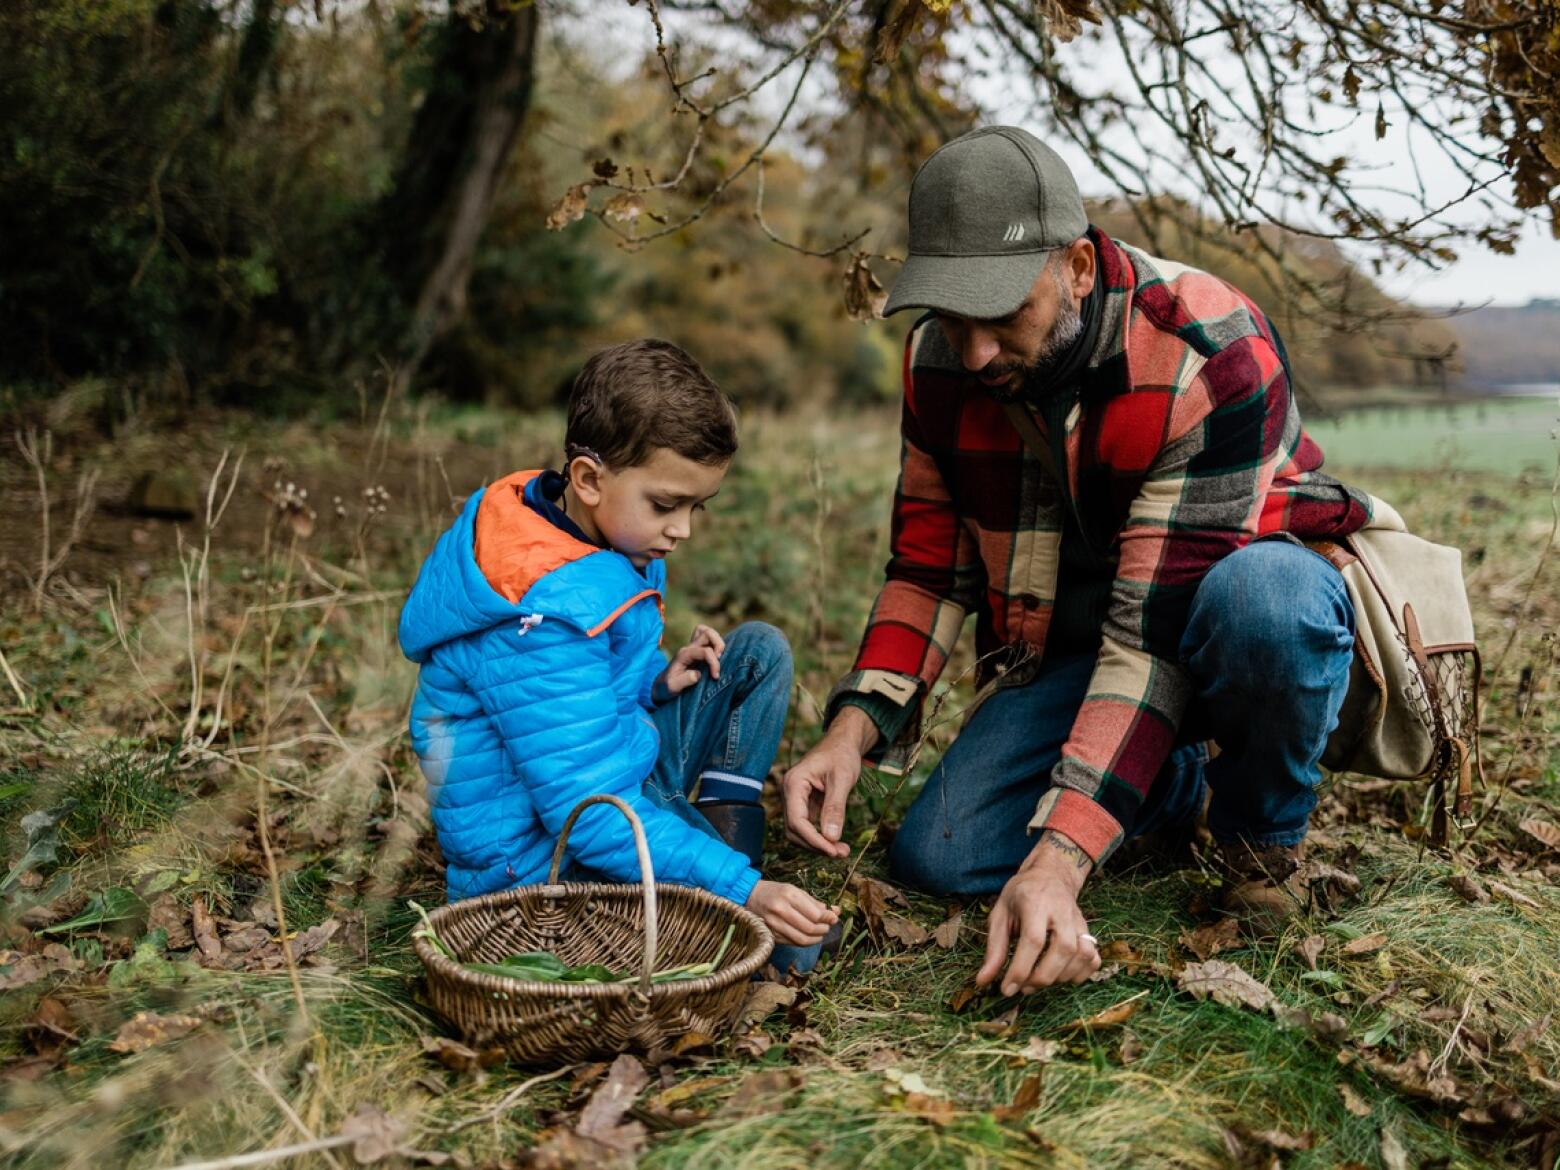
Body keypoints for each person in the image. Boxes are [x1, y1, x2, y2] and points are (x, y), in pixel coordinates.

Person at [784, 125, 1379, 995]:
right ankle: (1167, 783)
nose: (975, 351)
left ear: (1076, 267)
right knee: (940, 855)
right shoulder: (942, 362)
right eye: (952, 315)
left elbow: (1152, 641)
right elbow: (925, 568)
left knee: (1266, 607)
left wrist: (1059, 862)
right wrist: (851, 732)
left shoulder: (1210, 353)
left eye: (998, 313)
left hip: (1222, 620)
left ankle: (1259, 839)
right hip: (1075, 645)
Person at [400, 339, 838, 973]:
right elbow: (586, 813)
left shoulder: (602, 539)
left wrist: (658, 683)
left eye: (696, 507)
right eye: (666, 505)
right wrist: (744, 891)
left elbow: (598, 692)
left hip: (614, 766)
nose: (683, 529)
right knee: (797, 949)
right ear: (587, 479)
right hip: (548, 855)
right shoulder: (538, 618)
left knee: (755, 654)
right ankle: (736, 896)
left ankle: (722, 848)